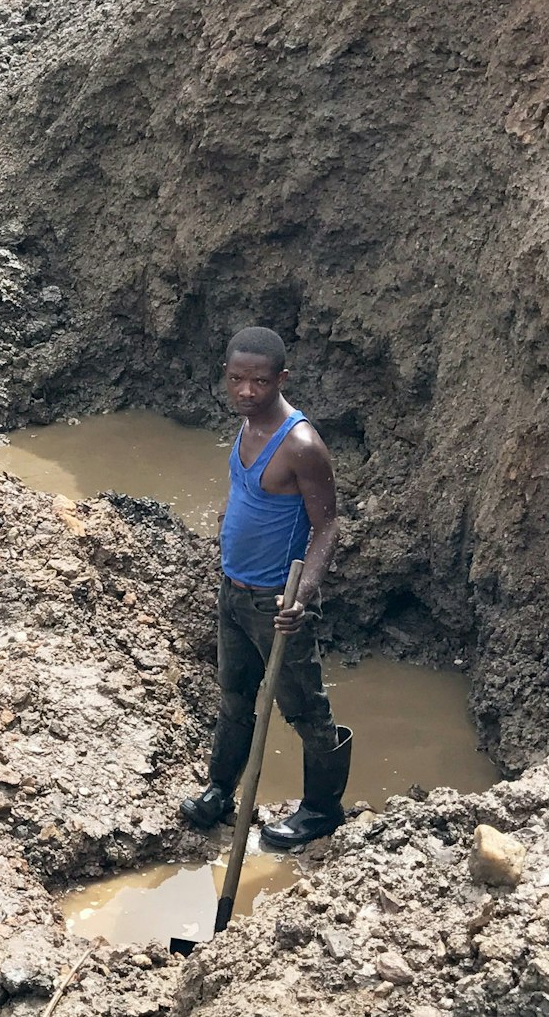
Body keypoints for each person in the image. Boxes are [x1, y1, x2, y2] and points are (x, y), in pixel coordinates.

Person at [179, 326, 351, 848]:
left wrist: (301, 597)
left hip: (276, 601)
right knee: (234, 697)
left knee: (306, 710)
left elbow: (327, 527)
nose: (247, 391)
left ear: (282, 378)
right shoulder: (246, 426)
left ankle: (321, 811)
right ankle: (219, 791)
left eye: (259, 381)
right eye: (237, 380)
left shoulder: (301, 445)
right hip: (234, 591)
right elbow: (243, 486)